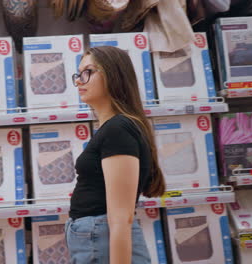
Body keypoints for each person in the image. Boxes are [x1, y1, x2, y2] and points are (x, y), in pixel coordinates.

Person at [66, 46, 166, 264]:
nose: (79, 81)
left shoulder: (118, 129)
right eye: (78, 74)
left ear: (112, 74)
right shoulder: (113, 127)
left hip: (101, 238)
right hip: (97, 238)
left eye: (88, 72)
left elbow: (121, 217)